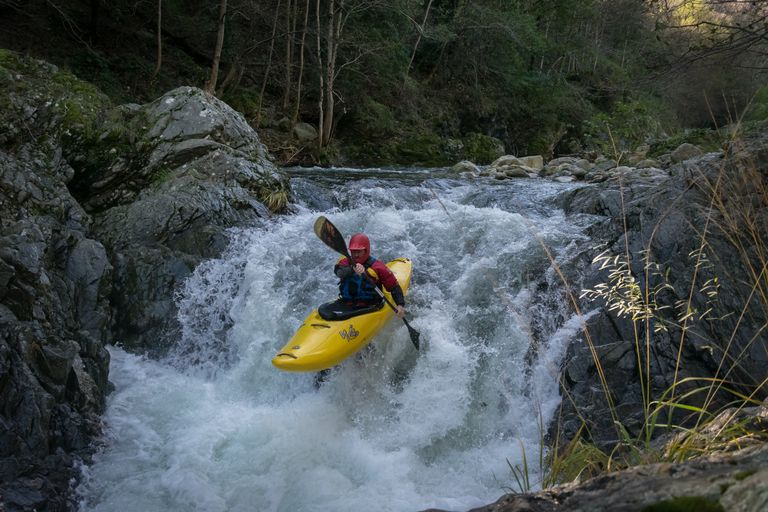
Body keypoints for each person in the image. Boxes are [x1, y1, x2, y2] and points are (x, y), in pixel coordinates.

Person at [318, 233, 406, 320]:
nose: (356, 255)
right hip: (347, 303)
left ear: (366, 250)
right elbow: (338, 272)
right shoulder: (345, 262)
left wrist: (400, 305)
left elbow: (394, 287)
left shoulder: (378, 267)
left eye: (358, 251)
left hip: (369, 306)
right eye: (353, 251)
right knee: (324, 311)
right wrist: (352, 269)